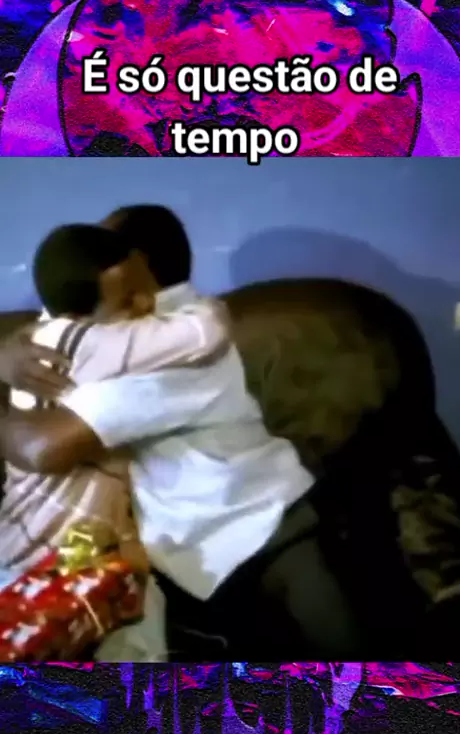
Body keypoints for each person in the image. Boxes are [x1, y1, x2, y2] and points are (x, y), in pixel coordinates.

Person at [0, 205, 359, 658]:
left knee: (363, 685)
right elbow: (56, 327)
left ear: (137, 266)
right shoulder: (129, 326)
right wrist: (6, 354)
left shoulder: (164, 350)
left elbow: (41, 448)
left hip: (261, 535)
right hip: (199, 551)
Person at [0, 221, 230, 660]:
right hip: (49, 553)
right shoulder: (88, 344)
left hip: (70, 545)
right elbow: (209, 329)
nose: (146, 304)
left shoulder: (48, 336)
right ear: (84, 314)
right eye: (129, 298)